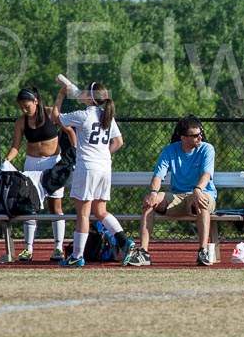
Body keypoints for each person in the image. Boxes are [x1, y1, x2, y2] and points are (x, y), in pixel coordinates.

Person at [53, 82, 133, 268]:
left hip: (88, 168)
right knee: (100, 211)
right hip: (105, 167)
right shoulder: (107, 116)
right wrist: (102, 154)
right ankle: (124, 241)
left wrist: (61, 95)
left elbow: (55, 117)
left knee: (83, 214)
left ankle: (77, 256)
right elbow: (119, 142)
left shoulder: (83, 115)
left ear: (90, 97)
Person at [124, 116, 217, 267]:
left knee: (201, 201)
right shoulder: (170, 150)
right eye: (195, 135)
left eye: (200, 133)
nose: (200, 137)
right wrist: (153, 193)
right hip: (177, 196)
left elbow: (206, 174)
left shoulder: (207, 148)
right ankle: (143, 253)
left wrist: (198, 189)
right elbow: (158, 176)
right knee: (150, 202)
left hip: (201, 194)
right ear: (183, 137)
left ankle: (203, 251)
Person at [3, 86, 74, 262]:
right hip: (31, 164)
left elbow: (70, 132)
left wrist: (74, 153)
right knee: (29, 206)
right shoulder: (21, 122)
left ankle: (58, 248)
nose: (24, 109)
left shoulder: (51, 114)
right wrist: (6, 160)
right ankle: (28, 248)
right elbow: (16, 146)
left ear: (36, 101)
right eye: (21, 107)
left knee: (55, 206)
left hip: (52, 164)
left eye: (27, 106)